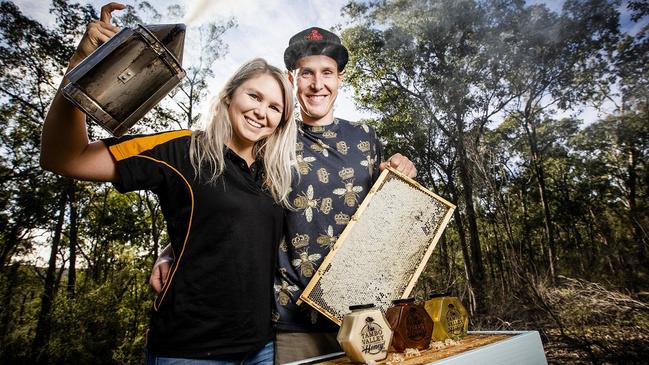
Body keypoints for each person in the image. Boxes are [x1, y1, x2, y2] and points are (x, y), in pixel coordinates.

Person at [40, 3, 297, 364]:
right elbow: (64, 157)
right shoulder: (181, 150)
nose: (262, 111)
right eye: (254, 96)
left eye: (275, 108)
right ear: (229, 96)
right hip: (188, 351)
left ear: (281, 122)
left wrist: (171, 248)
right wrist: (82, 68)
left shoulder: (274, 177)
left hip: (261, 348)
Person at [150, 27, 417, 363]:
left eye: (327, 73)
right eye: (307, 73)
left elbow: (384, 206)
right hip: (292, 322)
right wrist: (171, 249)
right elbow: (221, 199)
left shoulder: (365, 137)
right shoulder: (269, 139)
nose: (317, 84)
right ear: (293, 79)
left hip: (363, 314)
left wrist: (402, 169)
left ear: (340, 79)